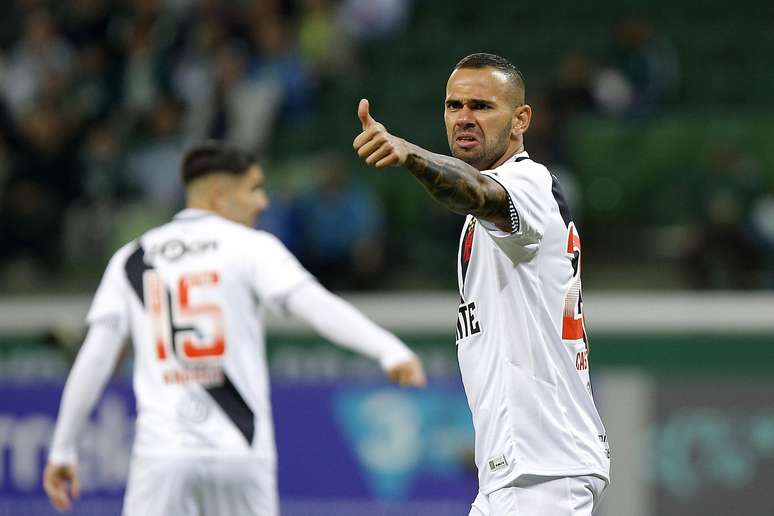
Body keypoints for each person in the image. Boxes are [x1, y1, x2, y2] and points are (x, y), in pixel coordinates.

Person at [43, 140, 426, 516]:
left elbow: (95, 358)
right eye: (254, 189)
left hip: (163, 453)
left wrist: (62, 448)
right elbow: (315, 304)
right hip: (240, 446)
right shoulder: (251, 247)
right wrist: (388, 349)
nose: (263, 202)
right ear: (218, 194)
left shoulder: (132, 258)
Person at [353, 53, 610, 515]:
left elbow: (482, 194)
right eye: (454, 106)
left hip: (544, 473)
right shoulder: (483, 220)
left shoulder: (528, 183)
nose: (464, 118)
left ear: (520, 119)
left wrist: (410, 154)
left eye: (481, 106)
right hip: (512, 475)